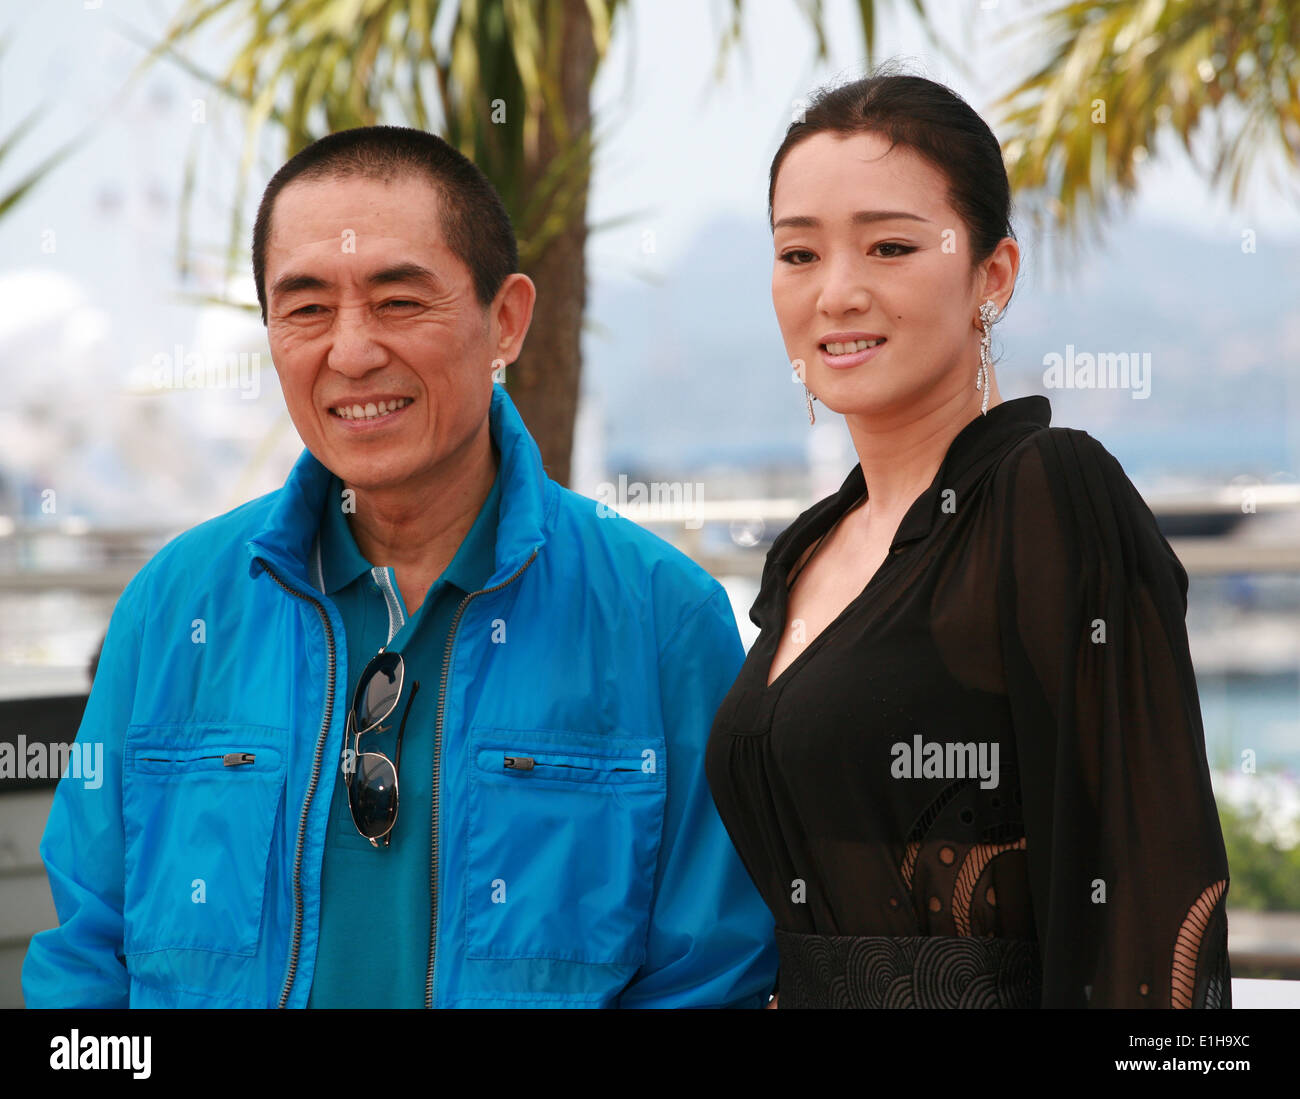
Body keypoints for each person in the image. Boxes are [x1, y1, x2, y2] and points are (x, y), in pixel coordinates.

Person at [22, 125, 777, 1008]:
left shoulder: (659, 618)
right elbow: (86, 953)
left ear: (506, 320)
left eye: (398, 301)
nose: (350, 353)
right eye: (306, 308)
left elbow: (709, 977)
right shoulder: (173, 607)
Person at [705, 69, 1231, 1009]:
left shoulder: (1049, 492)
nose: (837, 292)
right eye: (799, 253)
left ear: (993, 275)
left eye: (890, 246)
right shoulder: (809, 549)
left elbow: (1150, 906)